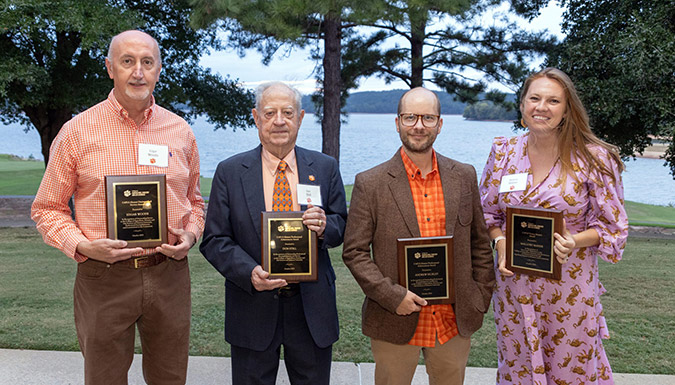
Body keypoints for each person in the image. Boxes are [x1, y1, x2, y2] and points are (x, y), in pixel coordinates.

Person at [30, 30, 204, 384]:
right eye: (127, 62)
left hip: (169, 273)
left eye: (147, 62)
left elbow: (195, 202)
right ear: (110, 68)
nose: (137, 72)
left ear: (158, 70)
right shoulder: (77, 131)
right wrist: (82, 245)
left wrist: (191, 233)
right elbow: (47, 208)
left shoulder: (180, 131)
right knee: (104, 378)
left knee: (170, 377)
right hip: (103, 277)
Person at [479, 67, 628, 384]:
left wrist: (574, 240)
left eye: (552, 100)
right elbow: (488, 214)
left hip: (568, 290)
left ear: (567, 109)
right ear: (522, 105)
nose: (541, 107)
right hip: (514, 287)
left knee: (570, 370)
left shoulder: (595, 158)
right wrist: (500, 242)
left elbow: (612, 226)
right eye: (534, 98)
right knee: (517, 366)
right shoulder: (503, 152)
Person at [342, 87, 495, 385]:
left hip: (452, 321)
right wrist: (392, 297)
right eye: (410, 117)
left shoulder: (463, 176)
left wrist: (480, 295)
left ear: (440, 123)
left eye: (427, 117)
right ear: (397, 122)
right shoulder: (370, 183)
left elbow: (479, 242)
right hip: (394, 319)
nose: (419, 126)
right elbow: (355, 253)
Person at [199, 82, 348, 385]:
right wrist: (249, 271)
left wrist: (324, 228)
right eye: (270, 113)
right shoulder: (229, 172)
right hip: (252, 305)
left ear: (301, 118)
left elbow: (341, 224)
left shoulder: (324, 167)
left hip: (311, 308)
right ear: (256, 118)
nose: (279, 120)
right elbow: (214, 240)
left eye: (287, 113)